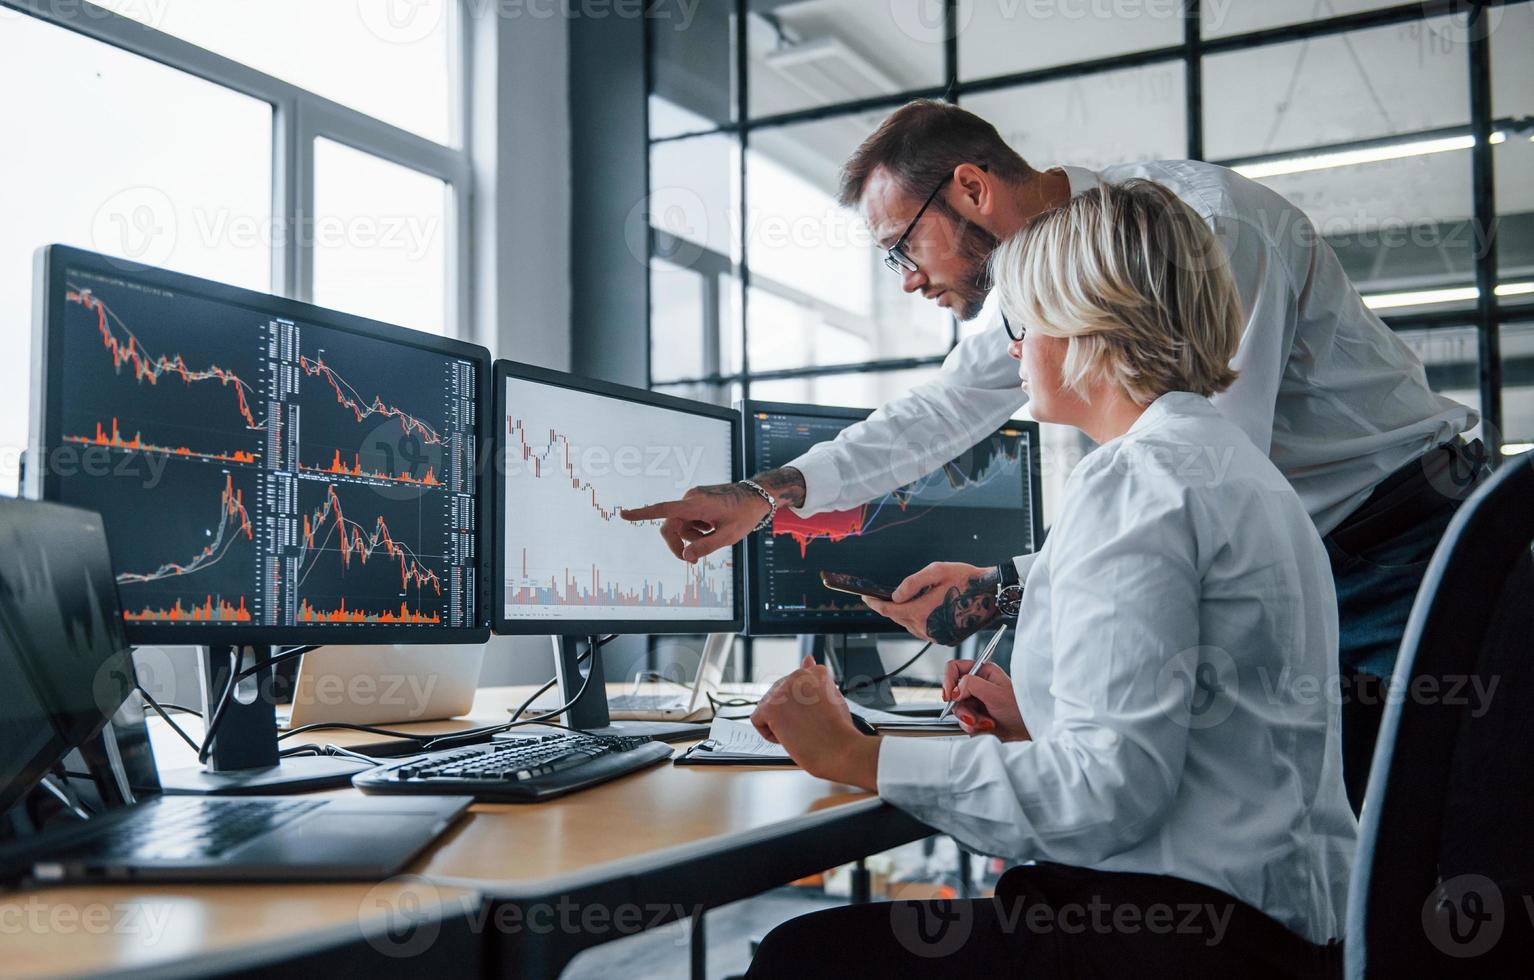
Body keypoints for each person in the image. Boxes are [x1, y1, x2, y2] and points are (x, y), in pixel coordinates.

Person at [623, 100, 1486, 811]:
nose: (907, 280)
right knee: (1279, 808)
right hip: (1305, 541)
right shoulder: (1043, 280)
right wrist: (765, 492)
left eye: (901, 249)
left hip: (1397, 540)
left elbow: (1208, 483)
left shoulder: (1199, 232)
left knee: (1403, 834)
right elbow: (940, 410)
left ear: (969, 188)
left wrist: (1007, 590)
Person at [743, 179, 1356, 977]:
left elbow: (1103, 797)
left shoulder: (1138, 482)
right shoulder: (1227, 464)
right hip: (1272, 923)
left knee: (801, 957)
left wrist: (859, 753)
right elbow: (1210, 739)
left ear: (1088, 326)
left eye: (1022, 325)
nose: (1011, 351)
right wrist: (1040, 724)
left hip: (1186, 940)